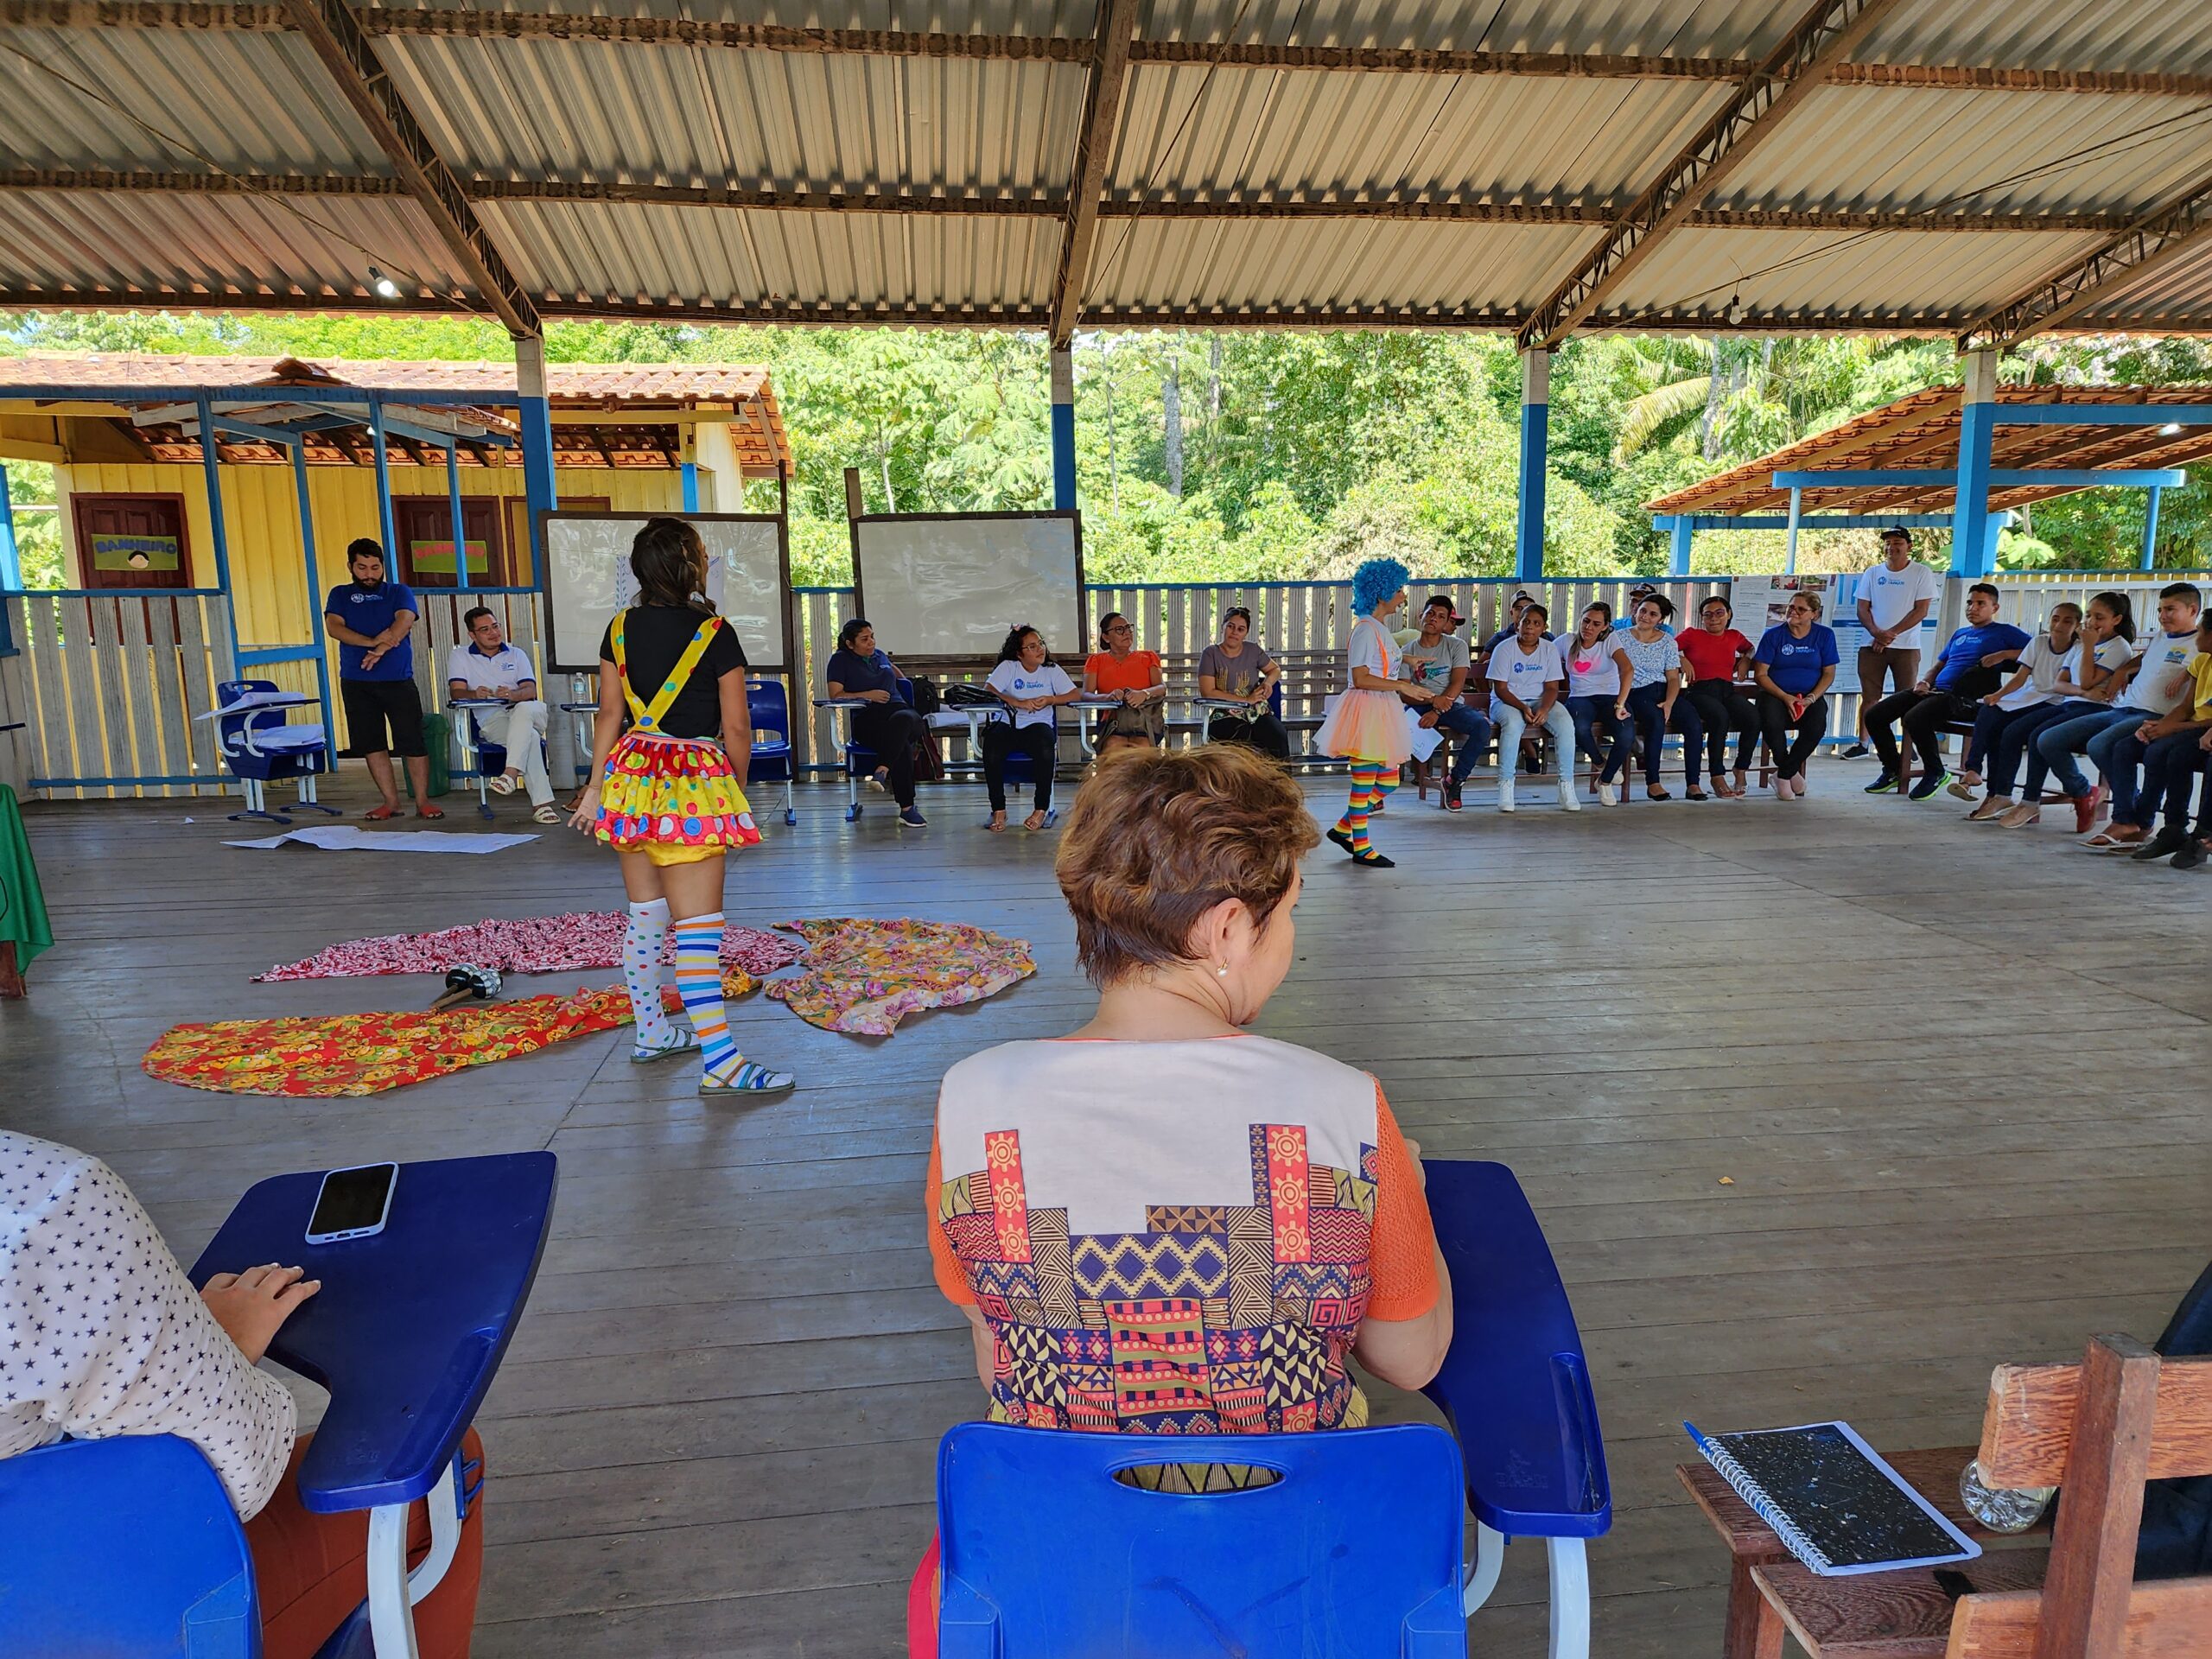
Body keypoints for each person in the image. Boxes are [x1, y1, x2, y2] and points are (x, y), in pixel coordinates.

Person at [910, 745, 1451, 1651]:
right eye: (1288, 916)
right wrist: (1411, 1195)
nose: (1288, 941)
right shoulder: (1340, 1105)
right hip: (1301, 1570)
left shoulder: (974, 1098)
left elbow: (999, 1362)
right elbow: (1411, 1358)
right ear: (1228, 928)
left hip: (1060, 1575)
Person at [0, 1133, 486, 1659]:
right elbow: (233, 1472)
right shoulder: (42, 1201)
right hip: (76, 1615)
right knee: (439, 1475)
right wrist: (214, 1346)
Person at [570, 517, 793, 1096]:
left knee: (646, 917)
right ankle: (722, 1063)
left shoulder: (619, 627)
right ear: (693, 567)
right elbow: (737, 727)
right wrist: (733, 793)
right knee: (698, 930)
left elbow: (609, 714)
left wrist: (595, 787)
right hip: (690, 782)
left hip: (631, 777)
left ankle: (652, 1032)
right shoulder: (714, 631)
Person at [2041, 582, 2202, 843]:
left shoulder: (2201, 643)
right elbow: (2146, 658)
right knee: (2050, 739)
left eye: (2170, 609)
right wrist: (2124, 670)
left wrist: (2185, 673)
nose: (2163, 616)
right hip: (2124, 708)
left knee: (2101, 744)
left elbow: (2199, 678)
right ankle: (2090, 794)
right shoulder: (2161, 636)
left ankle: (2125, 818)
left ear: (2193, 610)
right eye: (2160, 610)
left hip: (2155, 715)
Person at [1862, 582, 2029, 800]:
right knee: (1874, 715)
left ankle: (1935, 772)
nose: (1973, 608)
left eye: (1981, 604)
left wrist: (2004, 655)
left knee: (1915, 718)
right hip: (1936, 692)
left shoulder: (2004, 632)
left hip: (1965, 699)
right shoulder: (1960, 634)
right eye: (1969, 603)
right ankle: (1893, 769)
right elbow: (1940, 664)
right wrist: (1925, 682)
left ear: (1994, 608)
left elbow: (2037, 650)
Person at [1993, 592, 2139, 831]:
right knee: (2014, 731)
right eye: (2089, 615)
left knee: (2040, 737)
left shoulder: (2117, 646)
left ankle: (2037, 799)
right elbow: (2059, 684)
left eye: (2099, 617)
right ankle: (2006, 795)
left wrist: (2089, 648)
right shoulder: (2081, 644)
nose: (2091, 622)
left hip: (2098, 709)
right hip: (2073, 703)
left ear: (2116, 619)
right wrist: (2083, 691)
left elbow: (2087, 680)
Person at [1316, 559, 1427, 867]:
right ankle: (1361, 848)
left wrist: (1408, 660)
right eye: (1398, 590)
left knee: (1389, 781)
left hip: (1382, 707)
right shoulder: (1365, 629)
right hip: (1366, 710)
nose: (1403, 596)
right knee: (1363, 783)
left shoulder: (1378, 627)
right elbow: (1361, 677)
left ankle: (1343, 829)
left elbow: (1382, 659)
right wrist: (1402, 685)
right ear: (1381, 593)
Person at [323, 538, 436, 821]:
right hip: (356, 682)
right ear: (350, 567)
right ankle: (391, 802)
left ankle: (422, 802)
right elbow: (335, 628)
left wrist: (381, 649)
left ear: (383, 566)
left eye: (375, 567)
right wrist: (372, 642)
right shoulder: (339, 594)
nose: (369, 574)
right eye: (362, 567)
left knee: (412, 742)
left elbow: (404, 621)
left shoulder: (398, 591)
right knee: (372, 743)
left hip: (398, 680)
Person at [1958, 602, 2082, 821]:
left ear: (2077, 625)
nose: (2059, 625)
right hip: (2028, 697)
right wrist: (1998, 695)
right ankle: (1975, 771)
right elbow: (2020, 677)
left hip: (2055, 702)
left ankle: (2002, 794)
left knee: (2008, 732)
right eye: (2055, 619)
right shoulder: (2039, 642)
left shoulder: (2078, 649)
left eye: (2067, 621)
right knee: (1989, 711)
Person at [445, 605, 559, 824]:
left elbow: (530, 691)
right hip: (493, 719)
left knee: (524, 709)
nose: (493, 633)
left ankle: (510, 773)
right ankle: (542, 806)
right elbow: (456, 692)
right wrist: (474, 694)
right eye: (485, 629)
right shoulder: (460, 656)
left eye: (495, 626)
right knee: (530, 738)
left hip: (528, 712)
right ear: (472, 635)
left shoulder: (516, 654)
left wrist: (513, 695)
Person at [2114, 615, 2212, 861]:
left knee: (2175, 754)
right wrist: (2161, 726)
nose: (2197, 637)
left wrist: (2173, 728)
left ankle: (2202, 835)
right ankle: (2172, 828)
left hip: (2203, 728)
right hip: (2196, 726)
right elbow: (2186, 707)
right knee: (2148, 748)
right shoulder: (2202, 661)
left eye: (2201, 632)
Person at [1841, 525, 1941, 757]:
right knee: (1869, 697)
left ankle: (1907, 746)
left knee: (1907, 697)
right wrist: (1876, 633)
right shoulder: (1872, 572)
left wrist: (1889, 635)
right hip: (1871, 646)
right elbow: (1862, 608)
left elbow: (1921, 610)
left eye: (1897, 543)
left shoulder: (1921, 573)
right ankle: (1863, 744)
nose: (1891, 547)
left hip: (1906, 647)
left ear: (1909, 546)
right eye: (1888, 543)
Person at [826, 616, 930, 829]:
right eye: (864, 639)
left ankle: (882, 769)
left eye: (872, 637)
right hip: (869, 718)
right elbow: (836, 695)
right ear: (850, 644)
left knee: (904, 721)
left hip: (899, 712)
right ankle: (907, 809)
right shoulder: (840, 660)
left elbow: (898, 677)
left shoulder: (880, 655)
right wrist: (868, 695)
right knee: (900, 743)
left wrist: (906, 685)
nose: (871, 642)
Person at [1397, 594, 1493, 811]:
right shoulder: (1406, 652)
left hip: (1450, 704)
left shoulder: (1456, 646)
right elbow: (1404, 692)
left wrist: (1437, 711)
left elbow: (1458, 683)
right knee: (1390, 728)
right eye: (1430, 613)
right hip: (1417, 703)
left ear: (1447, 622)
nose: (1434, 619)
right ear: (1420, 616)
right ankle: (1377, 792)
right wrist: (1433, 701)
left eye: (1441, 616)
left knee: (1481, 726)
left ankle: (1455, 781)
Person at [983, 625, 1081, 833]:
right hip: (1008, 724)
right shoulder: (1009, 667)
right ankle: (999, 809)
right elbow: (989, 690)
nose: (1040, 649)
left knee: (1046, 748)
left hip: (1037, 726)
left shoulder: (1051, 670)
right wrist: (1016, 702)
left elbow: (1074, 695)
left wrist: (1050, 700)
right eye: (1032, 646)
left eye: (1041, 644)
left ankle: (1040, 809)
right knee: (991, 748)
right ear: (1019, 654)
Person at [1485, 602, 1580, 815]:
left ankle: (1566, 785)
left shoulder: (1549, 649)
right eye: (1526, 622)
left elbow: (1552, 687)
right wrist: (1522, 707)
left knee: (1566, 724)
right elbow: (1500, 689)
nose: (1530, 627)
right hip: (1506, 702)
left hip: (1540, 700)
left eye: (1536, 623)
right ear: (1517, 624)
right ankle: (1506, 785)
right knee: (1513, 724)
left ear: (1543, 628)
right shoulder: (1504, 648)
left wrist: (1544, 709)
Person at [1751, 590, 1840, 800]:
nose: (1794, 612)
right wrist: (1785, 697)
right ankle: (1790, 771)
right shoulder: (1773, 636)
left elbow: (1828, 673)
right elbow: (1761, 675)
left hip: (1809, 696)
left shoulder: (1825, 635)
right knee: (1771, 722)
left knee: (1816, 726)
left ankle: (1783, 775)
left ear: (1814, 614)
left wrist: (1811, 698)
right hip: (1775, 693)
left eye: (1801, 609)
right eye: (1791, 607)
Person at [1615, 594, 1705, 800]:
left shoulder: (1667, 642)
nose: (1645, 616)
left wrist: (1670, 703)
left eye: (1652, 614)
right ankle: (1653, 782)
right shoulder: (1619, 637)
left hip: (1663, 690)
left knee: (1692, 722)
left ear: (1660, 619)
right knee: (1656, 721)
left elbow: (1673, 678)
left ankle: (1693, 783)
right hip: (1635, 691)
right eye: (1643, 611)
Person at [1679, 594, 1759, 797]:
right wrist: (1681, 658)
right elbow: (1666, 647)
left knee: (1753, 717)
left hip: (1726, 690)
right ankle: (1717, 775)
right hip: (1699, 691)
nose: (1713, 618)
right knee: (1719, 717)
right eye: (1708, 615)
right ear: (1702, 618)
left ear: (1729, 614)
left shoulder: (1734, 636)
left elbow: (1750, 649)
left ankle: (1741, 768)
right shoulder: (1692, 635)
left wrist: (1745, 659)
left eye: (1719, 613)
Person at [1560, 602, 1634, 806]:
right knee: (1579, 728)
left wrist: (1620, 704)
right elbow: (1544, 654)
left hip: (1611, 696)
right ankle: (1600, 763)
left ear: (1605, 626)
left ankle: (1605, 781)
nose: (1589, 627)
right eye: (1586, 621)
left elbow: (1627, 669)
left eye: (1596, 624)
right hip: (1580, 696)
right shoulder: (1567, 640)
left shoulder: (1610, 640)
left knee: (1626, 735)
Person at [1197, 607, 1289, 760]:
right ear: (1222, 627)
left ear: (1246, 633)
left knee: (1277, 735)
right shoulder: (1210, 653)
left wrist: (1267, 683)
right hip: (1225, 713)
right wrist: (1245, 700)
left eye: (1240, 629)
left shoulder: (1253, 650)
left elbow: (1275, 670)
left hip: (1257, 712)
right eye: (1230, 626)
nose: (1234, 632)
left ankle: (1279, 775)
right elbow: (1208, 692)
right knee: (1239, 736)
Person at [1082, 611, 1166, 755]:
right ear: (1106, 637)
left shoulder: (1148, 657)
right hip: (1111, 725)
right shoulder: (1096, 661)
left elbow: (1161, 688)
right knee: (1114, 745)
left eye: (1128, 628)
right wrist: (1108, 697)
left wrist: (1144, 694)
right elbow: (1086, 695)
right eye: (1119, 629)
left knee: (1142, 747)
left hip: (1145, 723)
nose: (1127, 633)